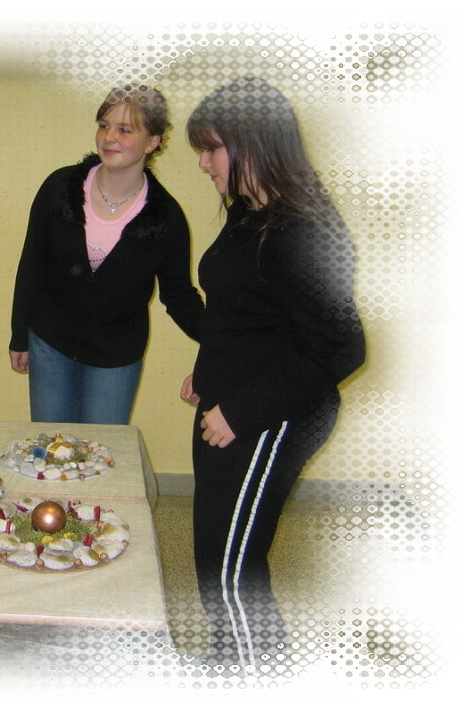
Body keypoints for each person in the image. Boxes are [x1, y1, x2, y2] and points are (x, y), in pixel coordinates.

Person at [180, 77, 366, 672]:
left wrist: (242, 411)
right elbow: (245, 311)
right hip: (230, 402)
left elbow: (342, 347)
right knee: (215, 553)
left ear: (253, 143)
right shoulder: (249, 212)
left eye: (212, 149)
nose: (204, 164)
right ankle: (232, 661)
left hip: (272, 417)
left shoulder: (300, 234)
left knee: (229, 567)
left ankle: (256, 676)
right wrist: (206, 369)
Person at [9, 85, 203, 425]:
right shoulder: (60, 187)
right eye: (104, 125)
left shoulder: (165, 218)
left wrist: (223, 343)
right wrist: (19, 335)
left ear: (152, 141)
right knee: (50, 447)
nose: (109, 137)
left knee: (102, 450)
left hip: (116, 357)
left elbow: (179, 296)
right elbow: (32, 264)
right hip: (49, 343)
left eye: (125, 130)